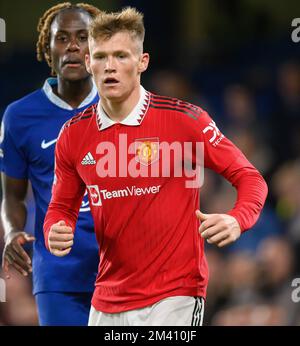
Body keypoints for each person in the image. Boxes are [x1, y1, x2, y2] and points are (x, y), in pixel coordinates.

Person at [43, 8, 268, 326]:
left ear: (142, 62)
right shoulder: (73, 134)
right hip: (108, 299)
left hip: (175, 295)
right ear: (89, 63)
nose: (110, 67)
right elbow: (60, 209)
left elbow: (249, 177)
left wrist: (237, 219)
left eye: (121, 56)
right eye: (101, 56)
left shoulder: (184, 120)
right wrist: (55, 230)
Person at [0, 3, 101, 326]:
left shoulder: (126, 106)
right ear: (47, 48)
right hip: (58, 276)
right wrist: (12, 231)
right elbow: (13, 197)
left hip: (123, 269)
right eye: (62, 38)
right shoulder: (19, 116)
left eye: (83, 37)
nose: (73, 46)